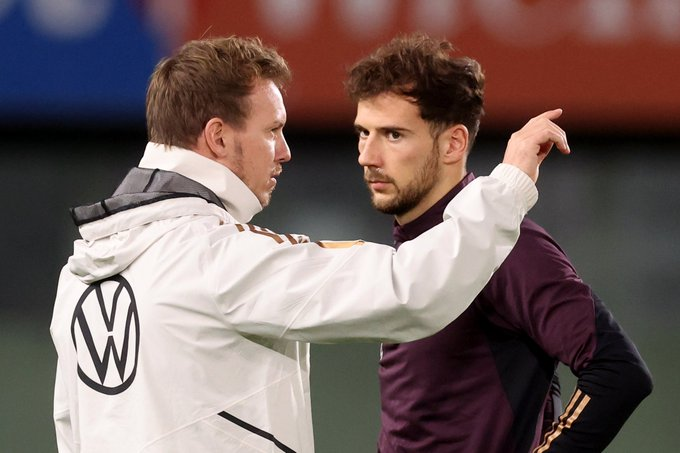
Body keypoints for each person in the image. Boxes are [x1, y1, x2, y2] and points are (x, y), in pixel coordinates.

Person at [50, 36, 569, 453]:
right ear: (218, 137)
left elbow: (70, 432)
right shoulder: (215, 258)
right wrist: (508, 185)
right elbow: (410, 289)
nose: (285, 151)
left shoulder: (78, 276)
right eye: (272, 130)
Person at [345, 32, 653, 453]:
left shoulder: (509, 247)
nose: (367, 155)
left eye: (393, 135)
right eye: (363, 133)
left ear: (453, 143)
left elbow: (619, 371)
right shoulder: (417, 247)